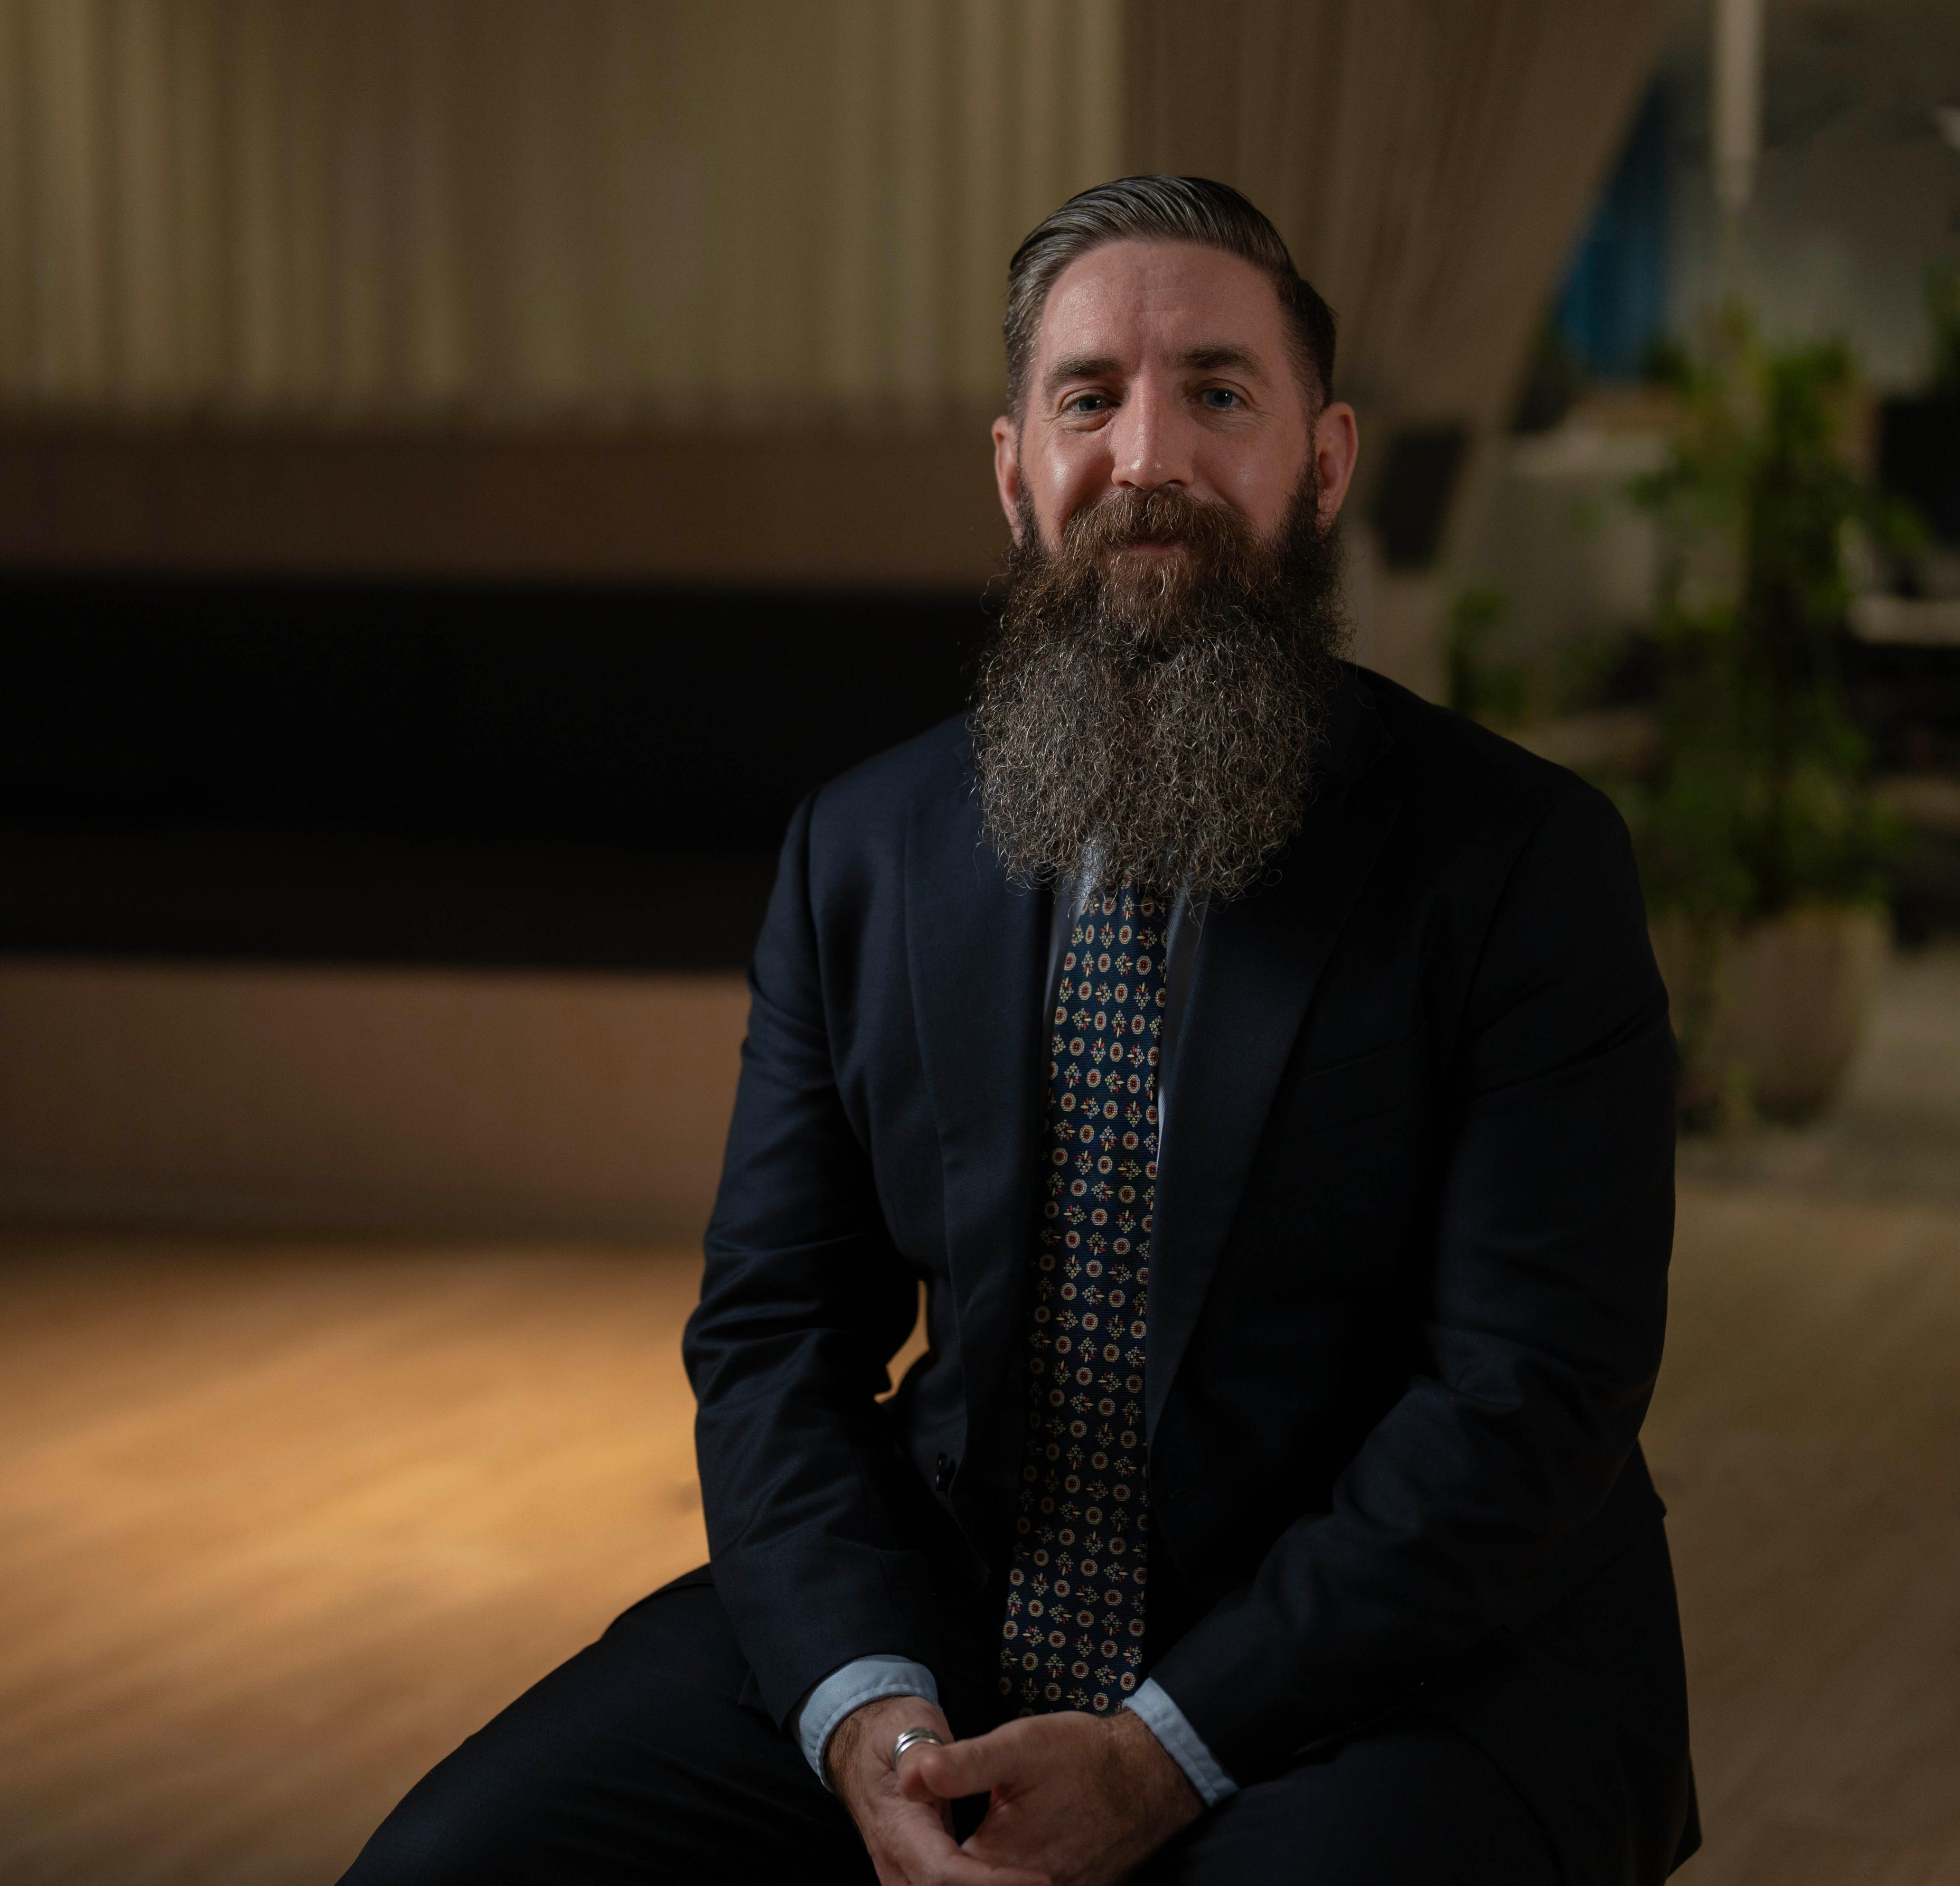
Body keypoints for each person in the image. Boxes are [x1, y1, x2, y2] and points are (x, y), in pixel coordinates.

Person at [339, 175, 1699, 1886]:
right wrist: (871, 1716)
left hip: (1398, 1659)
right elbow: (774, 1340)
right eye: (1090, 398)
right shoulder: (862, 845)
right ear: (1013, 472)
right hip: (955, 1609)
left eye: (1217, 392)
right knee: (448, 1868)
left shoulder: (1522, 861)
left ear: (1326, 463)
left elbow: (1528, 1400)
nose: (1149, 460)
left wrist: (1160, 1751)